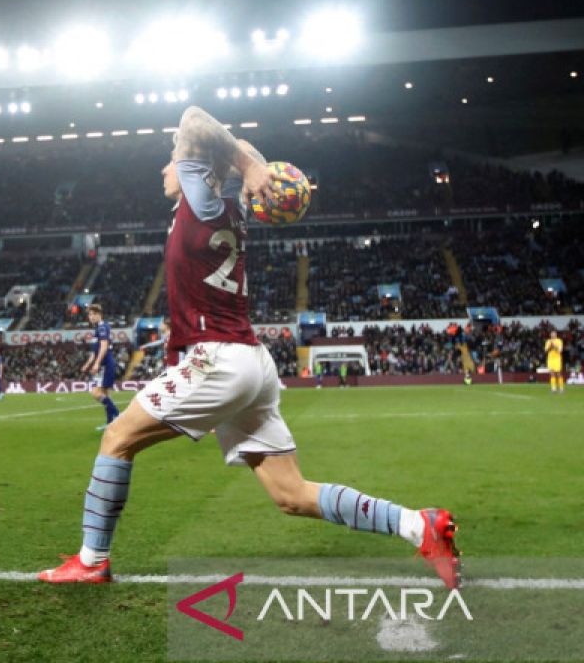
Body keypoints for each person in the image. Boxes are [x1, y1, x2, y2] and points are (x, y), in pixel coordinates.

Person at [37, 106, 460, 589]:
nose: (164, 168)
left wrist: (252, 166)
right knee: (291, 493)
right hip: (250, 361)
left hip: (215, 358)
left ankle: (92, 561)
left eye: (170, 159)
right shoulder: (228, 209)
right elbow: (231, 153)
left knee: (116, 439)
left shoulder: (202, 199)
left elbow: (195, 118)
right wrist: (249, 166)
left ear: (195, 166)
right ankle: (418, 525)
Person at [81, 304, 121, 430]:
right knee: (105, 394)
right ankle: (110, 422)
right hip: (105, 364)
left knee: (96, 393)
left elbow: (103, 347)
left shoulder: (102, 327)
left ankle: (119, 416)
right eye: (89, 314)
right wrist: (88, 364)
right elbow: (96, 351)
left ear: (100, 314)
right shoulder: (98, 328)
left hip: (106, 364)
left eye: (93, 314)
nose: (91, 317)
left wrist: (97, 363)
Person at [545, 330, 564, 394]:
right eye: (552, 334)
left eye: (554, 334)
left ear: (556, 335)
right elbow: (546, 350)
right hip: (550, 359)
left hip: (557, 359)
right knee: (552, 373)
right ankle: (553, 389)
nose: (553, 335)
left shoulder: (559, 341)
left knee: (558, 373)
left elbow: (560, 350)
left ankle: (561, 388)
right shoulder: (548, 341)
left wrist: (554, 346)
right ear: (550, 335)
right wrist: (550, 346)